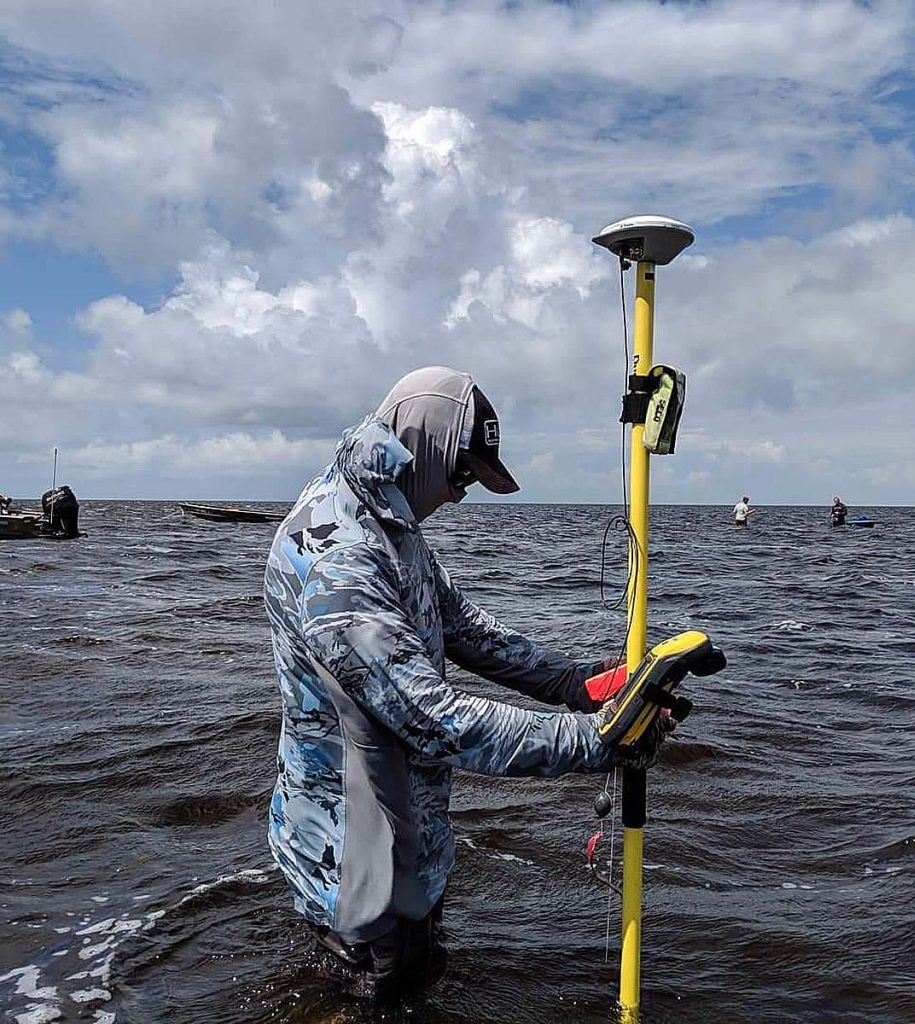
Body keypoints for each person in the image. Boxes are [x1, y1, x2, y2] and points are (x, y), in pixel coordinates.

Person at [263, 366, 669, 998]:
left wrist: (579, 685)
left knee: (420, 980)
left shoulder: (392, 528)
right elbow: (431, 718)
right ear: (420, 445)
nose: (460, 496)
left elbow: (463, 628)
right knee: (376, 995)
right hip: (353, 861)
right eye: (461, 475)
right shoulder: (337, 552)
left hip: (408, 837)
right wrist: (595, 739)